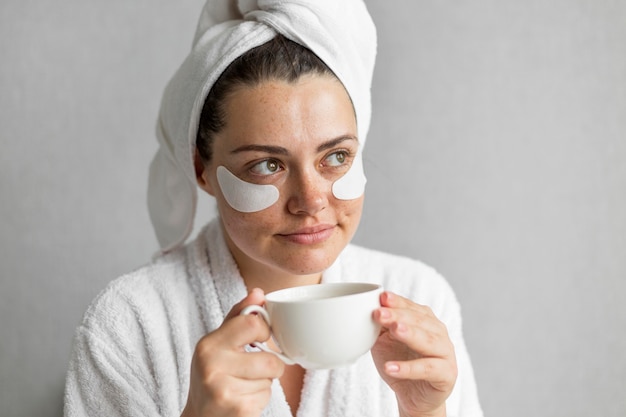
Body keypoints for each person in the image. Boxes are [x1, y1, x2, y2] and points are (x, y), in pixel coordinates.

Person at [64, 1, 483, 416]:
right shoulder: (129, 324)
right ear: (201, 169)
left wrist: (426, 412)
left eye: (335, 156)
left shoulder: (420, 297)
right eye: (268, 165)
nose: (312, 200)